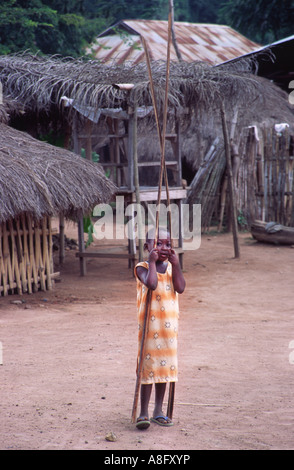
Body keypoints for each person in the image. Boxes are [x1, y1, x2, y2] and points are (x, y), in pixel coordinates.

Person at [134, 226, 186, 430]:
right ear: (147, 246)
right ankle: (144, 412)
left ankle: (158, 411)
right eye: (158, 243)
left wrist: (177, 265)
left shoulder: (173, 269)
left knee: (165, 369)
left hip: (169, 331)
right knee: (148, 369)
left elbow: (180, 288)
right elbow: (152, 284)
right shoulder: (142, 267)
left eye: (168, 244)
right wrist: (153, 262)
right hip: (149, 329)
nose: (163, 248)